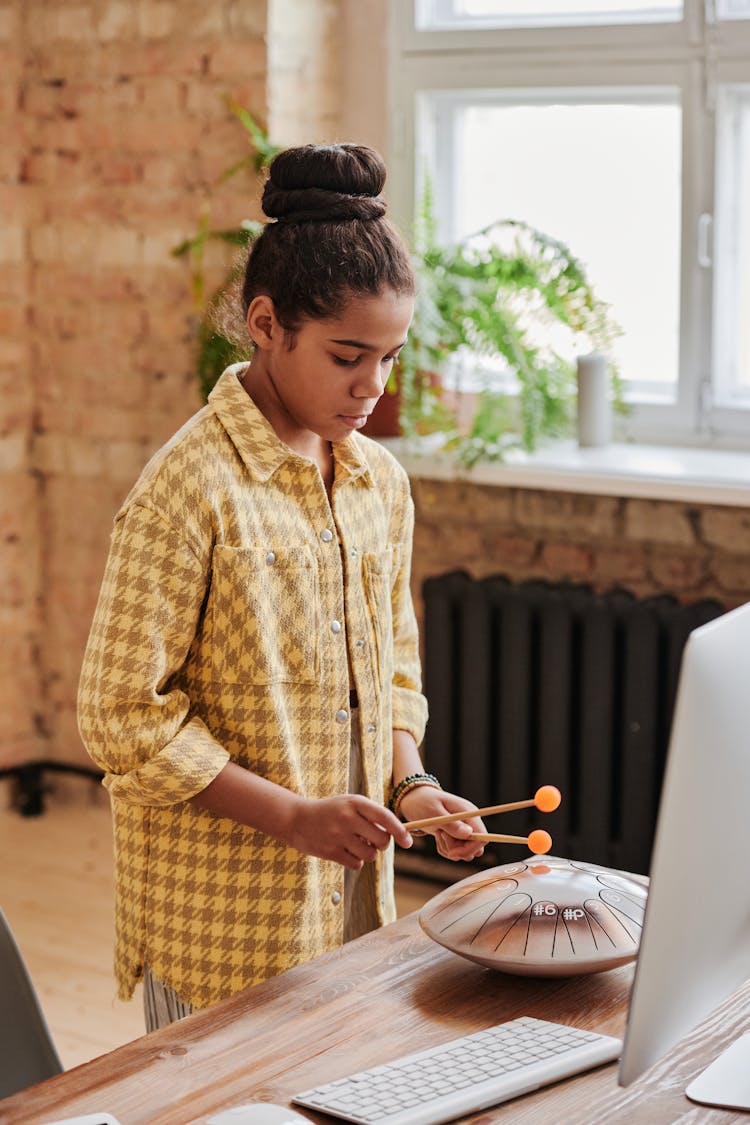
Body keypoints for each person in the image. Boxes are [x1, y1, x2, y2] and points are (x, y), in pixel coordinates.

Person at [77, 141, 486, 1031]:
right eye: (347, 356)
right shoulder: (187, 488)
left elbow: (391, 670)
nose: (372, 389)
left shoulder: (380, 482)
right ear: (266, 323)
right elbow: (121, 716)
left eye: (390, 357)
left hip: (352, 906)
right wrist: (294, 816)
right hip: (222, 927)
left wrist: (413, 784)